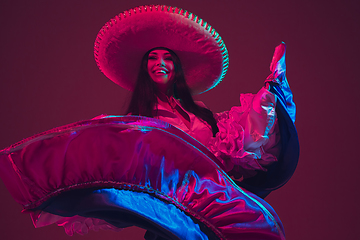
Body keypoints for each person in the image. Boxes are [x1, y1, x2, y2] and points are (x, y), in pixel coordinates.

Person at [0, 5, 298, 240]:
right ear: (145, 68)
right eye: (152, 58)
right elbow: (112, 157)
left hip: (213, 207)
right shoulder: (140, 123)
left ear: (176, 67)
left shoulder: (204, 116)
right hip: (171, 218)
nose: (160, 63)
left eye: (167, 57)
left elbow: (243, 139)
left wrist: (271, 88)